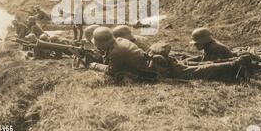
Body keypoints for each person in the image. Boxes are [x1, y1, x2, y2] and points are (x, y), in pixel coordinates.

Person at [88, 27, 251, 83]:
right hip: (160, 60)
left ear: (102, 43)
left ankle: (235, 64)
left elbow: (111, 71)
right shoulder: (120, 40)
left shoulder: (116, 52)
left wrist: (93, 64)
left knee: (197, 72)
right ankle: (234, 60)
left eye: (97, 44)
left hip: (159, 69)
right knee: (195, 66)